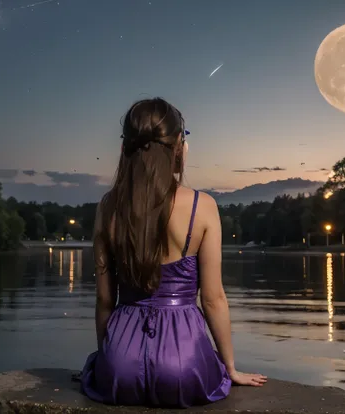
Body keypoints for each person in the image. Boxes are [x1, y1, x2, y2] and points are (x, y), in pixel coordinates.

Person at [80, 98, 267, 408]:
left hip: (119, 367)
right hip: (182, 365)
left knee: (109, 362)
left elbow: (104, 300)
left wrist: (106, 361)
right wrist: (230, 367)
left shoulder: (107, 207)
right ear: (178, 145)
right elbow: (212, 299)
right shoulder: (202, 206)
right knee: (204, 367)